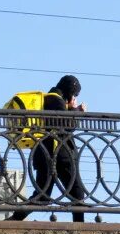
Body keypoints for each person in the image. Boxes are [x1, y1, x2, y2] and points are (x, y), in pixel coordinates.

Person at [6, 75, 87, 222]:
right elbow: (66, 127)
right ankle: (80, 229)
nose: (74, 97)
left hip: (44, 154)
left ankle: (15, 219)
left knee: (42, 197)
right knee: (77, 193)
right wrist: (77, 111)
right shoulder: (56, 100)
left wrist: (69, 109)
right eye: (74, 94)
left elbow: (56, 122)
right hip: (59, 156)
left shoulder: (49, 99)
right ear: (70, 90)